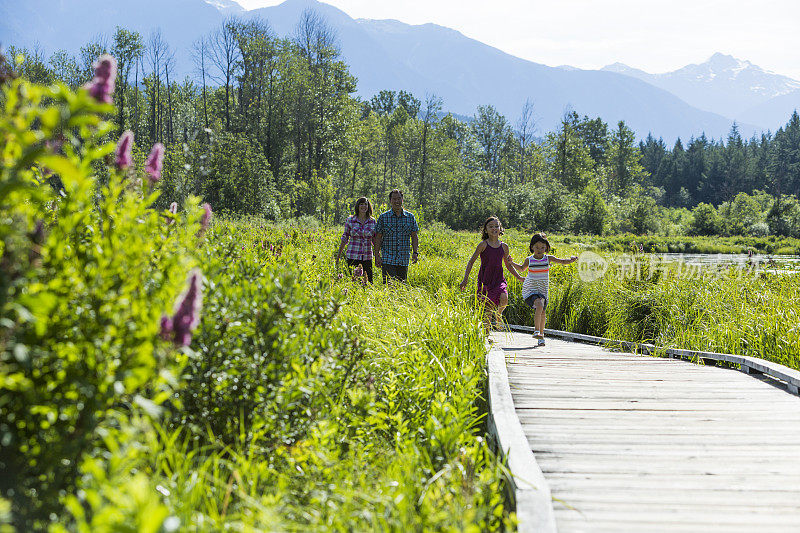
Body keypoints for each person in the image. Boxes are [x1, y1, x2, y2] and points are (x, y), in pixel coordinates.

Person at [510, 233, 577, 347]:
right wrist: (511, 263)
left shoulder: (548, 258)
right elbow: (521, 269)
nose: (539, 250)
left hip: (543, 290)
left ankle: (541, 337)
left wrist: (571, 260)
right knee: (539, 306)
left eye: (542, 247)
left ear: (546, 247)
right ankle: (536, 331)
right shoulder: (529, 260)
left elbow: (562, 261)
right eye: (536, 247)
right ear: (532, 247)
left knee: (542, 313)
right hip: (530, 289)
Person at [459, 216, 523, 330]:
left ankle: (499, 315)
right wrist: (465, 279)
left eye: (496, 226)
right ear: (486, 230)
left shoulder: (504, 246)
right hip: (485, 281)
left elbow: (508, 265)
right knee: (487, 309)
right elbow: (471, 262)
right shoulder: (483, 245)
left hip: (499, 279)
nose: (494, 228)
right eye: (491, 226)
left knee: (504, 299)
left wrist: (518, 277)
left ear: (500, 229)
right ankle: (487, 334)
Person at [374, 189, 419, 283]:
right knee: (390, 286)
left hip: (403, 259)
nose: (396, 201)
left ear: (402, 200)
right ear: (390, 201)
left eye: (399, 199)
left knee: (401, 287)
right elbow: (378, 237)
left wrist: (415, 252)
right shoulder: (383, 217)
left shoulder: (410, 217)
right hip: (388, 259)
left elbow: (414, 236)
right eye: (394, 199)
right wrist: (377, 255)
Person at [336, 197, 378, 283]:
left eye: (365, 204)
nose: (363, 206)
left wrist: (378, 256)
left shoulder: (372, 221)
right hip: (353, 256)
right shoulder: (350, 220)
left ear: (368, 206)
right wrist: (338, 255)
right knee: (353, 282)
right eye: (361, 204)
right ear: (358, 206)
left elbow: (375, 240)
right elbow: (345, 238)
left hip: (367, 257)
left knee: (368, 282)